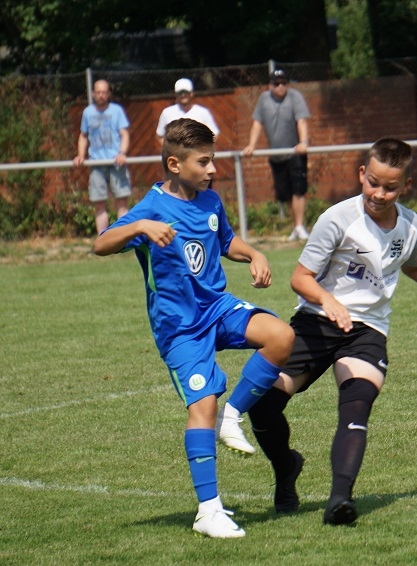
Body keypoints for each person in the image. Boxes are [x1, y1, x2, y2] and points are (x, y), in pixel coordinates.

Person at [247, 138, 417, 525]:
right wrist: (328, 301)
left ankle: (339, 500)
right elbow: (300, 278)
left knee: (357, 401)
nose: (379, 193)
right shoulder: (337, 218)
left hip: (366, 331)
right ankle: (286, 467)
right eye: (373, 183)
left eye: (390, 187)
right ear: (362, 174)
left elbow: (415, 265)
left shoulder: (410, 225)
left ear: (405, 186)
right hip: (315, 323)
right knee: (261, 404)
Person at [93, 118, 295, 538]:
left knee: (281, 336)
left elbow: (226, 242)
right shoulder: (151, 208)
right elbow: (100, 244)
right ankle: (208, 511)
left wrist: (254, 254)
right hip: (180, 327)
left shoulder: (210, 201)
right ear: (174, 164)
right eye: (203, 162)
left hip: (217, 307)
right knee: (201, 405)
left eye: (212, 160)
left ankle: (232, 416)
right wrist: (139, 226)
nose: (212, 169)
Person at [243, 68, 312, 242]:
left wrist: (303, 142)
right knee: (285, 193)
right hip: (277, 155)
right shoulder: (263, 99)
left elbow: (302, 121)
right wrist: (251, 145)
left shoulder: (295, 97)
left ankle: (299, 226)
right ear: (270, 85)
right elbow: (257, 123)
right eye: (277, 83)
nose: (281, 86)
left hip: (295, 153)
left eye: (283, 83)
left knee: (298, 189)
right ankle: (296, 227)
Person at [73, 79, 132, 234]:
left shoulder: (117, 111)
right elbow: (83, 136)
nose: (101, 95)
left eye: (104, 92)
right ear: (93, 94)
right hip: (96, 164)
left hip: (116, 163)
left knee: (122, 203)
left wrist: (122, 153)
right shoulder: (87, 112)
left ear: (109, 94)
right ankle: (103, 239)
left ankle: (123, 239)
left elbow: (124, 134)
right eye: (98, 92)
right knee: (99, 204)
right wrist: (80, 155)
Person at [155, 78, 221, 147]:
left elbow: (215, 134)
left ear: (191, 93)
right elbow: (159, 136)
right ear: (176, 95)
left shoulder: (203, 112)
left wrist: (203, 149)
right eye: (180, 93)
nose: (183, 95)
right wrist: (170, 150)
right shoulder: (167, 113)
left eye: (185, 92)